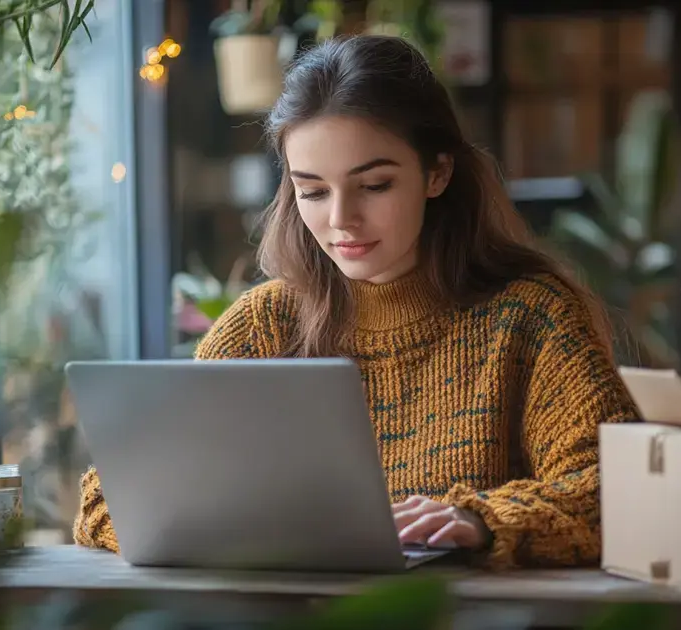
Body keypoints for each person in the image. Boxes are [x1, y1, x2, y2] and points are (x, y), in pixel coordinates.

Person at [74, 35, 639, 570]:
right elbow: (105, 502)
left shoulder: (530, 319)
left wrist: (482, 519)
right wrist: (247, 532)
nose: (340, 219)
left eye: (374, 185)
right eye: (313, 191)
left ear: (437, 173)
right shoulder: (261, 328)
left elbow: (615, 489)